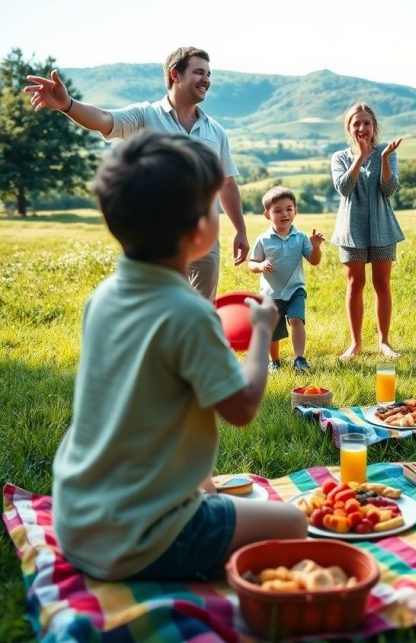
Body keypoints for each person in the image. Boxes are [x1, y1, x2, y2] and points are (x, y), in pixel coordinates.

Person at [52, 131, 307, 582]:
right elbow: (242, 407)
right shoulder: (188, 313)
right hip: (139, 541)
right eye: (213, 207)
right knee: (293, 522)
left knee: (209, 484)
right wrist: (263, 331)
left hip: (76, 521)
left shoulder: (104, 296)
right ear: (197, 232)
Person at [24, 46, 249, 300]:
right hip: (156, 237)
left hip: (203, 238)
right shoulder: (145, 116)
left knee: (202, 309)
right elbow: (104, 119)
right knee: (158, 306)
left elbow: (227, 184)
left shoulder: (215, 131)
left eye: (209, 73)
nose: (206, 79)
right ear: (175, 75)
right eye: (199, 72)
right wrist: (68, 104)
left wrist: (240, 230)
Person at [330, 103, 404, 363]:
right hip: (352, 229)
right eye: (356, 124)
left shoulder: (387, 152)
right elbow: (344, 188)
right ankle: (356, 343)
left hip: (382, 227)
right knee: (355, 284)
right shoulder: (339, 157)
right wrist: (360, 157)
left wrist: (382, 159)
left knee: (382, 284)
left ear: (374, 127)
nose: (362, 128)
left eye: (366, 123)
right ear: (349, 129)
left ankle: (384, 342)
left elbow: (389, 189)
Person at [248, 186, 325, 373]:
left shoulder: (300, 238)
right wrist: (260, 265)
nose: (285, 214)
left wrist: (315, 247)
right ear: (267, 214)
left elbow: (314, 261)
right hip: (271, 294)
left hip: (295, 288)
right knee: (273, 331)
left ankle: (299, 359)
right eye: (278, 210)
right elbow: (251, 264)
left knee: (297, 320)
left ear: (296, 211)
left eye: (289, 209)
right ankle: (274, 362)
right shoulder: (263, 239)